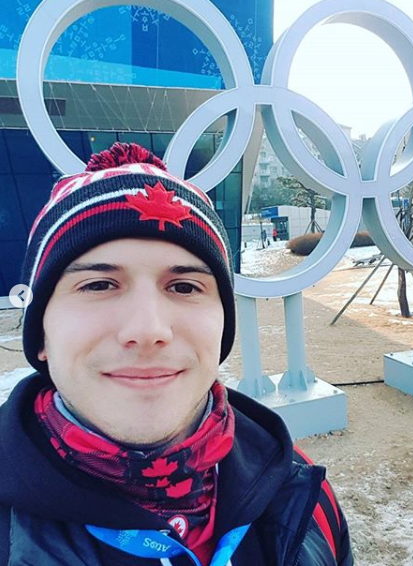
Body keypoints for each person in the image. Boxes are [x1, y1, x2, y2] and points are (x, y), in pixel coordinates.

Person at [0, 143, 352, 565]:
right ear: (41, 332)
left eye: (184, 287)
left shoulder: (300, 493)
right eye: (97, 285)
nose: (148, 331)